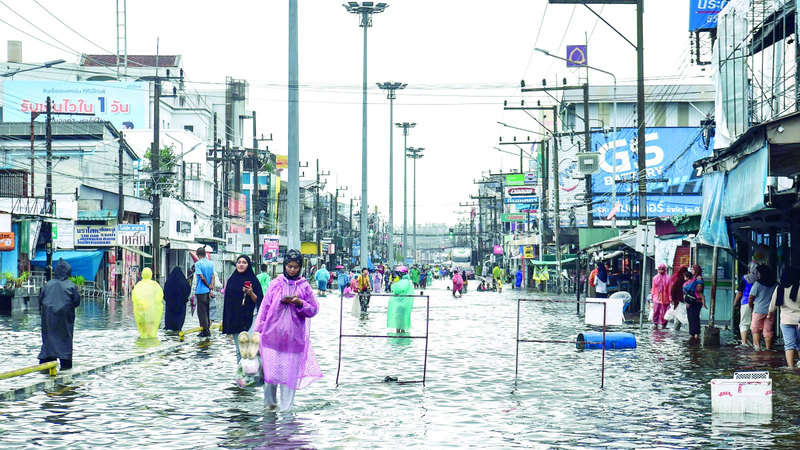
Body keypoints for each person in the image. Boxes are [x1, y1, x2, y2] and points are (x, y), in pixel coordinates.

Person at [253, 249, 321, 411]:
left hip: (294, 340)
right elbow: (264, 309)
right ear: (284, 266)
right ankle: (269, 410)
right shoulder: (275, 284)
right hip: (271, 338)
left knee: (289, 379)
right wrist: (257, 333)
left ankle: (286, 414)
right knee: (270, 377)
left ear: (300, 267)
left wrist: (300, 303)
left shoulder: (304, 287)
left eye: (296, 267)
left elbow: (313, 310)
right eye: (290, 266)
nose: (292, 270)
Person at [38, 259, 81, 370]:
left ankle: (47, 360)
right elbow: (77, 301)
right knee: (65, 342)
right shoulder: (71, 286)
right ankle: (65, 362)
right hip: (65, 319)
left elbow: (40, 299)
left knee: (48, 341)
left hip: (48, 318)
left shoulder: (48, 285)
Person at [222, 255, 264, 362]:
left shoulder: (254, 280)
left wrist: (250, 293)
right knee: (239, 350)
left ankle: (252, 374)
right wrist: (227, 322)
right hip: (236, 319)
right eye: (239, 262)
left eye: (244, 262)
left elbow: (260, 301)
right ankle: (241, 375)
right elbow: (228, 303)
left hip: (251, 317)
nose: (241, 264)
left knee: (251, 349)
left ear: (248, 265)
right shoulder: (231, 280)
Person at [769, 266, 800, 367]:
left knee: (789, 345)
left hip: (786, 321)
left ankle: (790, 367)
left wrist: (769, 313)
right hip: (798, 320)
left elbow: (773, 304)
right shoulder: (799, 287)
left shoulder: (780, 287)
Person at [749, 264, 777, 351]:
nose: (757, 275)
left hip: (758, 310)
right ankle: (768, 349)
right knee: (768, 331)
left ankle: (758, 348)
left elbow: (751, 297)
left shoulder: (758, 284)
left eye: (758, 273)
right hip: (770, 311)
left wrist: (751, 307)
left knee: (756, 329)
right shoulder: (775, 284)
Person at [131, 267, 164, 340]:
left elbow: (134, 296)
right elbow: (160, 296)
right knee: (150, 324)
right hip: (152, 310)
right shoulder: (155, 285)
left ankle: (143, 337)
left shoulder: (138, 285)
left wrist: (141, 303)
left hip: (141, 310)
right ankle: (150, 337)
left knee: (142, 325)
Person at [734, 262, 758, 345]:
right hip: (758, 303)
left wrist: (735, 302)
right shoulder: (760, 279)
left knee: (744, 323)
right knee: (755, 325)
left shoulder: (745, 278)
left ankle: (744, 343)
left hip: (746, 302)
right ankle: (756, 344)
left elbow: (740, 292)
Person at [194, 246, 216, 337]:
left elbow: (202, 277)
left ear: (198, 255)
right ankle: (206, 330)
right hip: (208, 291)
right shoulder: (210, 264)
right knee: (207, 311)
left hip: (201, 291)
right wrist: (211, 287)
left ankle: (206, 332)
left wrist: (207, 285)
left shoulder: (198, 264)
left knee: (201, 312)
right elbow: (212, 276)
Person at [164, 266, 191, 331]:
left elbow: (164, 291)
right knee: (179, 317)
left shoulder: (168, 281)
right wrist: (185, 299)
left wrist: (167, 299)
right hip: (180, 303)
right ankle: (178, 328)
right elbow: (187, 289)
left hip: (170, 304)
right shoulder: (183, 281)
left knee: (170, 316)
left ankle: (169, 328)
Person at [388, 266, 414, 333]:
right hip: (402, 304)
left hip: (401, 304)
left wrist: (393, 285)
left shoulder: (404, 281)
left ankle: (400, 335)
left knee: (400, 320)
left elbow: (398, 289)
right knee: (401, 320)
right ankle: (401, 336)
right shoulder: (406, 281)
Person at [683, 264, 706, 340]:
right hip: (690, 301)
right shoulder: (691, 278)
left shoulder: (698, 278)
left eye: (693, 269)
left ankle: (696, 333)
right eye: (691, 269)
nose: (691, 271)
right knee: (690, 317)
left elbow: (699, 289)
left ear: (697, 270)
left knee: (695, 317)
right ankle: (692, 333)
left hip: (696, 301)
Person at [650, 263, 671, 329]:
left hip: (665, 297)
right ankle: (655, 323)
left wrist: (670, 297)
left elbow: (670, 288)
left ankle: (664, 324)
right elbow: (653, 287)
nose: (661, 270)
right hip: (657, 297)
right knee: (656, 310)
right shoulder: (655, 278)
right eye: (660, 269)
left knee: (664, 311)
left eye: (662, 269)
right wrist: (652, 296)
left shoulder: (668, 278)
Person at [669, 265, 689, 331]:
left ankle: (676, 330)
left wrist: (674, 299)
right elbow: (673, 289)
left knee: (679, 316)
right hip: (680, 300)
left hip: (679, 300)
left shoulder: (679, 279)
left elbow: (672, 290)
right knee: (680, 316)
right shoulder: (681, 280)